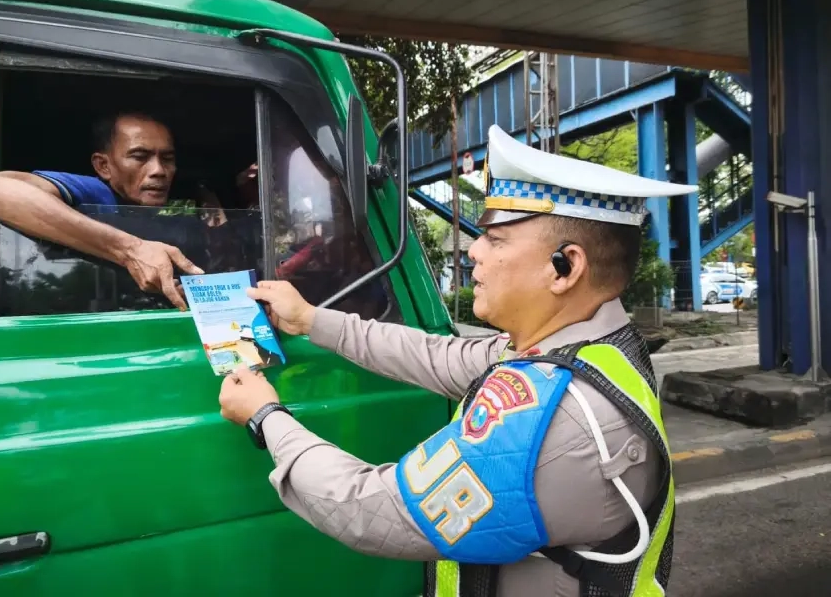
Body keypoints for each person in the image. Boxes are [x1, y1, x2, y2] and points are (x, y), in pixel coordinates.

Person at [217, 124, 697, 597]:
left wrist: (266, 417)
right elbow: (435, 356)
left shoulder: (562, 417)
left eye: (497, 239)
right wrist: (311, 320)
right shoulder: (579, 349)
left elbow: (374, 511)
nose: (473, 250)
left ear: (565, 267)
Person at [0, 111, 255, 310]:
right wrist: (130, 250)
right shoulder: (96, 192)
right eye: (140, 157)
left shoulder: (153, 215)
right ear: (103, 166)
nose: (159, 171)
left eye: (167, 159)